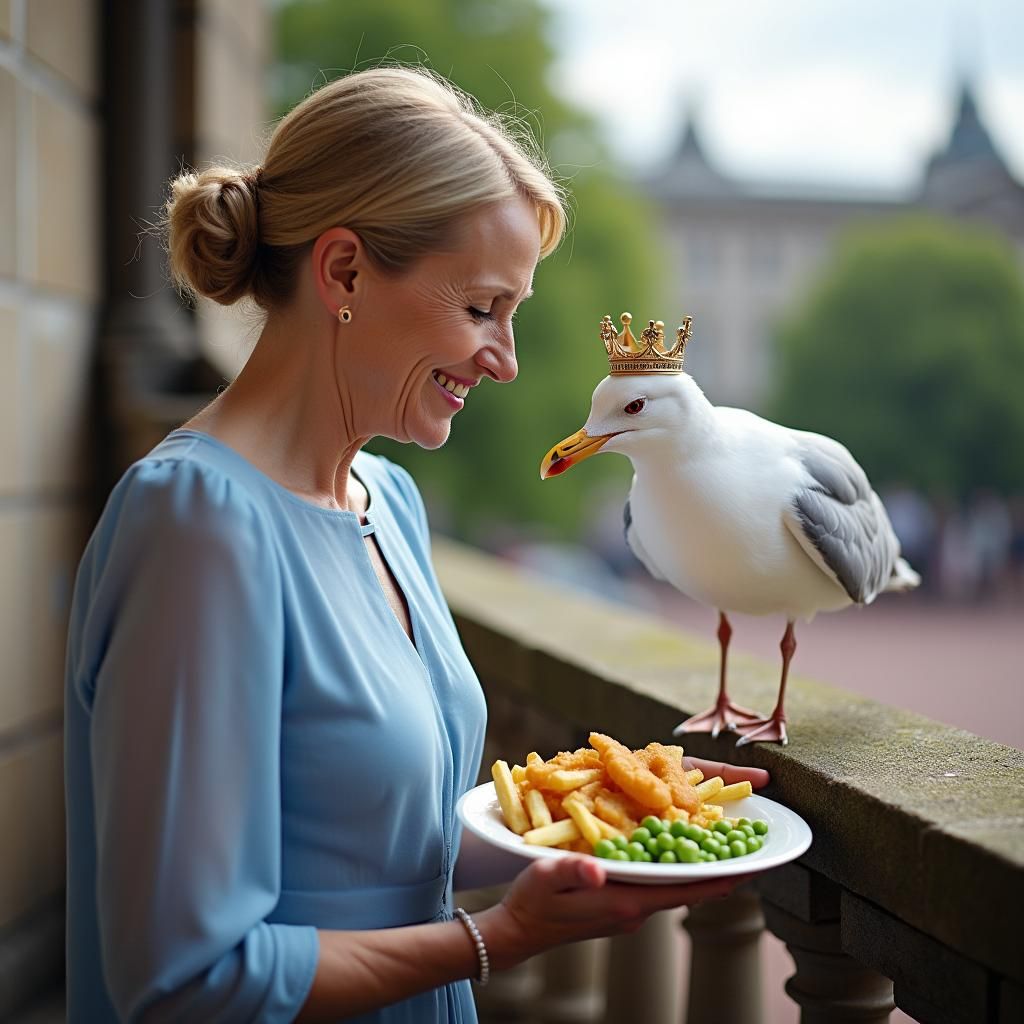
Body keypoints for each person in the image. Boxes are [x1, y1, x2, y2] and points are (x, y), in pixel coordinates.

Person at [64, 65, 769, 1023]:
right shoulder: (196, 523)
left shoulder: (388, 501)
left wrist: (611, 811)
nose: (507, 361)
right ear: (345, 271)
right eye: (483, 308)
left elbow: (382, 840)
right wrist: (498, 938)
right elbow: (187, 976)